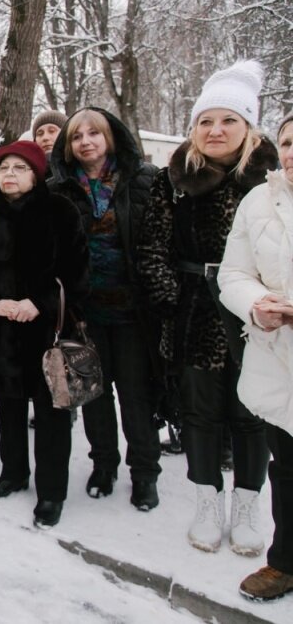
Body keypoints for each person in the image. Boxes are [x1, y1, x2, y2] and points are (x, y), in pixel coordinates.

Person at [138, 61, 275, 555]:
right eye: (206, 121)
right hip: (194, 309)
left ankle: (247, 506)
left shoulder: (272, 182)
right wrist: (170, 298)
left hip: (257, 313)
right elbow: (151, 247)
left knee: (252, 412)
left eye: (228, 120)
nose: (216, 130)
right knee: (199, 412)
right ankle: (206, 503)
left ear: (248, 126)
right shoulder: (173, 180)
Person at [0, 140, 89, 528]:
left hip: (47, 334)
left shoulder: (60, 211)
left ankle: (51, 491)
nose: (10, 175)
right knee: (9, 410)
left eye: (19, 168)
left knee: (51, 416)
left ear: (36, 174)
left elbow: (78, 270)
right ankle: (13, 473)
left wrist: (40, 303)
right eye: (3, 168)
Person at [48, 107, 163, 510]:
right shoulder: (57, 189)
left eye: (93, 133)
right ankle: (103, 464)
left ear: (110, 137)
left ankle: (144, 471)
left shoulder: (144, 179)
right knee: (92, 393)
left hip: (133, 312)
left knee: (135, 395)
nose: (85, 142)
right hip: (85, 313)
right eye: (76, 136)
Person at [219, 111, 293, 602]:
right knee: (286, 467)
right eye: (287, 142)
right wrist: (256, 305)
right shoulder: (259, 201)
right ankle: (285, 561)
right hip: (279, 359)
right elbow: (233, 273)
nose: (292, 153)